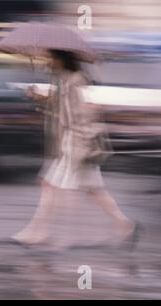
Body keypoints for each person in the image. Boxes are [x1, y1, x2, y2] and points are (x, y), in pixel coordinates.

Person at [12, 49, 138, 247]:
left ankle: (50, 234)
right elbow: (60, 109)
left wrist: (83, 142)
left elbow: (83, 114)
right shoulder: (62, 79)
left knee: (52, 185)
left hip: (76, 142)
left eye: (51, 58)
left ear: (61, 59)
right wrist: (39, 97)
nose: (48, 61)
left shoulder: (77, 79)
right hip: (69, 141)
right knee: (91, 190)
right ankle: (126, 225)